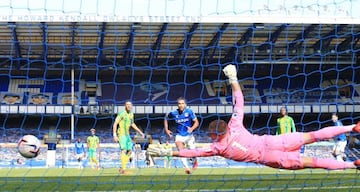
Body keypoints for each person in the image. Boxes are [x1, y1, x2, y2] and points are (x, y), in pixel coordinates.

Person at [147, 64, 360, 171]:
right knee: (313, 135)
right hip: (274, 140)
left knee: (313, 162)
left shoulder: (217, 148)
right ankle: (353, 126)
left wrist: (169, 151)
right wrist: (233, 78)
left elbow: (192, 151)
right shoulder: (235, 125)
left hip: (269, 157)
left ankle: (353, 165)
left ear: (213, 133)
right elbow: (239, 101)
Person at [164, 97, 200, 174]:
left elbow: (196, 122)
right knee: (181, 151)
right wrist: (166, 129)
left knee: (192, 150)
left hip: (189, 135)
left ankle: (195, 161)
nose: (180, 105)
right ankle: (187, 168)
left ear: (185, 104)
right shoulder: (174, 113)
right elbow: (166, 118)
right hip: (179, 135)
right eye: (179, 104)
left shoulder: (189, 111)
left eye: (182, 103)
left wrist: (192, 128)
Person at [113, 100, 145, 174]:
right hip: (121, 134)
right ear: (125, 106)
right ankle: (123, 169)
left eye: (130, 105)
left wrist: (140, 132)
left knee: (130, 151)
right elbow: (115, 123)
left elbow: (132, 124)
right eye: (127, 105)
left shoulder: (131, 114)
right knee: (123, 150)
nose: (129, 106)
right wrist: (114, 135)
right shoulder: (121, 113)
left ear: (132, 106)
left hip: (127, 135)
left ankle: (122, 167)